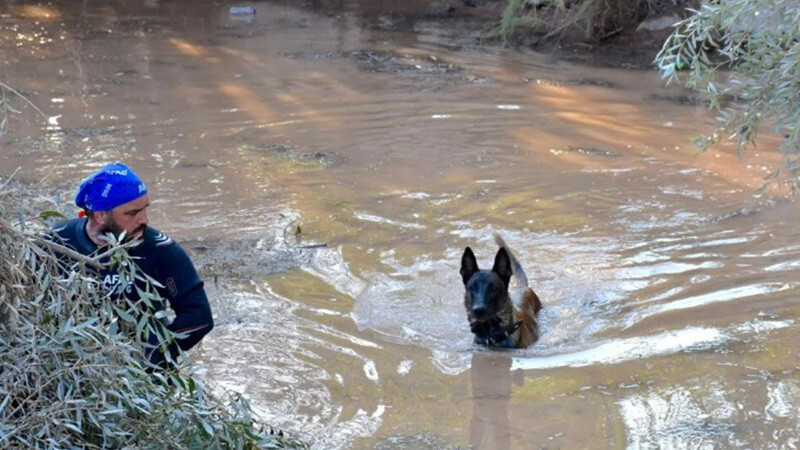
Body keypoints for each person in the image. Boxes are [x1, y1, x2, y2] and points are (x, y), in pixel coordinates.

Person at [52, 162, 213, 370]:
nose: (144, 220)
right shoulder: (57, 241)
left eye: (145, 209)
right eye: (131, 213)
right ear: (101, 215)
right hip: (77, 368)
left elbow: (199, 317)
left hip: (142, 381)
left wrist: (154, 356)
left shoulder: (161, 250)